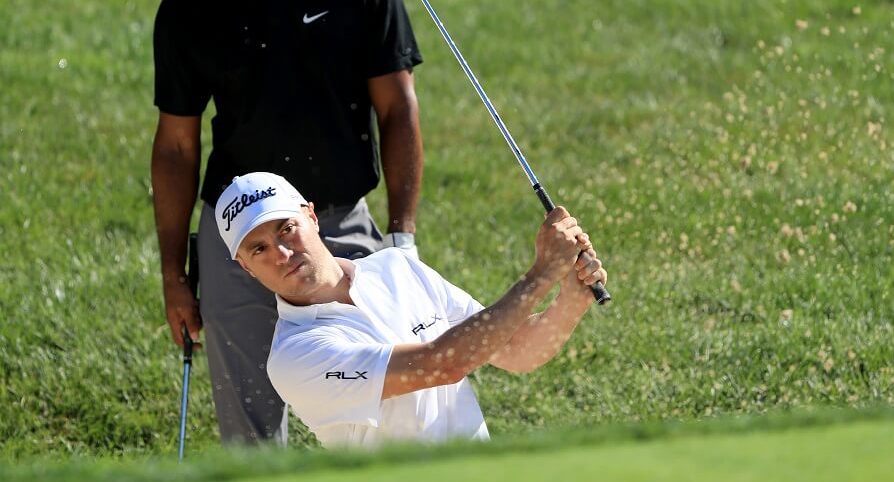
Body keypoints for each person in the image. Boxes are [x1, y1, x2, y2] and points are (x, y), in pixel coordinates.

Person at [151, 0, 425, 445]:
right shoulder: (190, 6)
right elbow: (175, 146)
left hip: (341, 224)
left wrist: (402, 240)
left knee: (389, 404)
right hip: (239, 245)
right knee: (248, 433)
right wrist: (174, 274)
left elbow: (399, 109)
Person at [214, 172, 610, 447]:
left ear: (312, 217)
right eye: (259, 248)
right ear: (245, 267)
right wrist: (540, 275)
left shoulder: (394, 266)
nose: (282, 254)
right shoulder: (294, 356)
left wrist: (573, 295)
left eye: (286, 227)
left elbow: (518, 350)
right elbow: (440, 365)